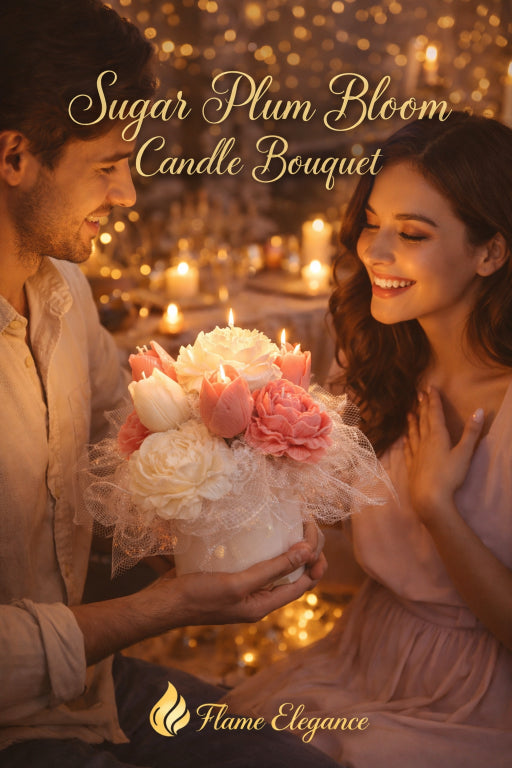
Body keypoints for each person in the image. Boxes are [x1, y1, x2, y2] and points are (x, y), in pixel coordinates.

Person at [0, 2, 337, 766]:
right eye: (107, 166)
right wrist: (168, 606)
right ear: (14, 156)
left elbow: (119, 459)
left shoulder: (62, 292)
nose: (124, 194)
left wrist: (233, 531)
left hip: (92, 686)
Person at [223, 112, 512, 767]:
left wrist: (438, 507)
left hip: (474, 698)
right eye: (373, 223)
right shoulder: (385, 364)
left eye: (411, 233)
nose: (376, 252)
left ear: (490, 251)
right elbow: (362, 551)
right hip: (364, 651)